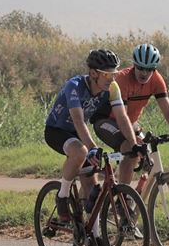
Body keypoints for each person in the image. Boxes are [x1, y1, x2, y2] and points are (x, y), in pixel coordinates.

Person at [44, 49, 134, 223]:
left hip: (79, 133)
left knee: (93, 191)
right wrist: (92, 147)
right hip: (57, 130)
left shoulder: (112, 87)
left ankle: (92, 232)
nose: (112, 79)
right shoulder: (74, 86)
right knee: (81, 152)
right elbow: (78, 121)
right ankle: (62, 196)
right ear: (93, 73)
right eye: (107, 75)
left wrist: (133, 143)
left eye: (114, 74)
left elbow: (122, 117)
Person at [90, 42, 169, 188]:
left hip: (130, 122)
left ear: (154, 69)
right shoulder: (123, 79)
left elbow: (168, 110)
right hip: (107, 120)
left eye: (149, 69)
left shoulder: (157, 79)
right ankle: (123, 196)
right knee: (130, 149)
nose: (144, 73)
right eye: (140, 68)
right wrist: (133, 142)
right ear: (134, 65)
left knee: (147, 157)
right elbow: (122, 116)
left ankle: (126, 188)